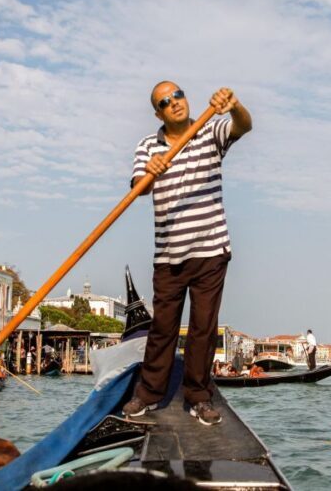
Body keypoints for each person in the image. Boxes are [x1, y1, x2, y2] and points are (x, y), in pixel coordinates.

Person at [122, 82, 252, 426]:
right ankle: (148, 395)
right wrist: (150, 173)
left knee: (203, 329)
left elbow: (243, 126)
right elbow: (138, 189)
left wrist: (235, 105)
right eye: (165, 102)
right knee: (163, 329)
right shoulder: (147, 146)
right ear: (158, 114)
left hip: (211, 249)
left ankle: (198, 397)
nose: (174, 102)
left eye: (177, 95)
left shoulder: (209, 130)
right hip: (169, 255)